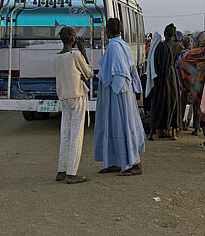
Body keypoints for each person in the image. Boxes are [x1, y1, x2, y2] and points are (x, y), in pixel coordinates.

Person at [94, 18, 145, 176]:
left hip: (117, 94)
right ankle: (115, 162)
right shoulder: (122, 45)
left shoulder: (114, 46)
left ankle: (135, 164)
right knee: (114, 125)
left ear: (108, 30)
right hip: (121, 92)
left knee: (122, 125)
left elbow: (119, 72)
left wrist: (115, 86)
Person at [54, 27, 93, 184]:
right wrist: (83, 51)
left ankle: (61, 170)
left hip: (64, 97)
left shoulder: (57, 57)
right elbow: (89, 73)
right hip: (77, 96)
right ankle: (72, 173)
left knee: (66, 133)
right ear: (72, 39)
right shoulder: (76, 55)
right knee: (77, 134)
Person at [177, 31, 205, 145]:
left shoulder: (191, 54)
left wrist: (187, 82)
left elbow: (181, 63)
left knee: (199, 108)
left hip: (195, 87)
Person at [149, 23, 183, 140]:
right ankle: (173, 132)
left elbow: (156, 63)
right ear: (174, 34)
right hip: (172, 75)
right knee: (174, 102)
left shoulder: (159, 47)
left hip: (161, 76)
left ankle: (153, 132)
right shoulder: (178, 47)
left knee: (160, 103)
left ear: (164, 33)